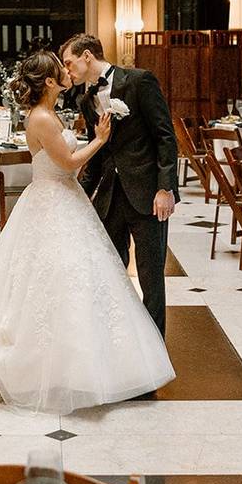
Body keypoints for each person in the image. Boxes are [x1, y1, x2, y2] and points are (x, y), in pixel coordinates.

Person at [0, 50, 175, 415]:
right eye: (60, 69)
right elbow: (67, 163)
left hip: (66, 198)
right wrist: (98, 139)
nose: (67, 72)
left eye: (68, 64)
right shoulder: (43, 118)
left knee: (83, 279)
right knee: (56, 281)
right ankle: (57, 366)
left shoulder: (56, 113)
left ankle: (103, 360)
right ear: (49, 82)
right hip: (52, 202)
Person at [60, 34, 180, 337]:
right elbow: (98, 153)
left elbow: (165, 136)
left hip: (148, 195)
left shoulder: (139, 81)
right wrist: (80, 195)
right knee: (110, 273)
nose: (67, 71)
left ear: (87, 56)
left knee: (152, 277)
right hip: (111, 199)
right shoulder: (85, 100)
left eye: (69, 63)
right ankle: (117, 345)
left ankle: (155, 350)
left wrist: (166, 189)